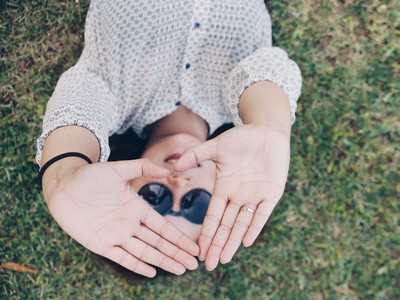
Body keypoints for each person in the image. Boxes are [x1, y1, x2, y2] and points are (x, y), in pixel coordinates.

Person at [37, 0, 302, 278]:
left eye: (155, 198)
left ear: (126, 185)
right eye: (197, 203)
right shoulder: (246, 104)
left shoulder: (114, 99)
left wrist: (61, 176)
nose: (178, 183)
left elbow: (80, 101)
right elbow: (270, 68)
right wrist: (270, 124)